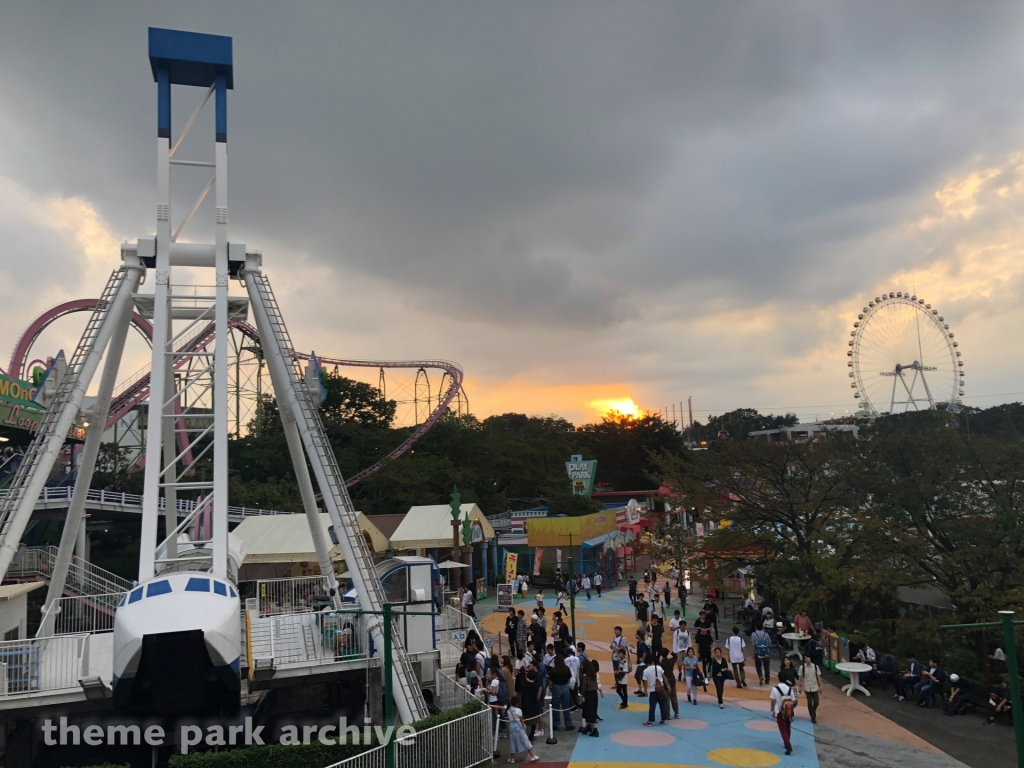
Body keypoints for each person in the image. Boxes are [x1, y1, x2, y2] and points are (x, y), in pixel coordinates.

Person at [505, 696, 540, 764]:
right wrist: (524, 727)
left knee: (513, 742)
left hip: (512, 726)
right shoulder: (519, 710)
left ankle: (512, 758)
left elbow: (500, 707)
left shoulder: (508, 710)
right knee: (525, 740)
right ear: (517, 703)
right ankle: (532, 756)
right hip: (518, 726)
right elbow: (521, 720)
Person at [770, 671, 797, 756]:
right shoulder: (789, 689)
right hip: (788, 710)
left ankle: (788, 745)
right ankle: (787, 740)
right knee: (788, 727)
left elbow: (773, 701)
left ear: (778, 678)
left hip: (779, 711)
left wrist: (772, 709)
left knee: (782, 729)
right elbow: (794, 701)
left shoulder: (775, 689)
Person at [642, 655, 670, 726]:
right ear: (653, 661)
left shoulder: (645, 671)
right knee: (662, 705)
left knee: (652, 706)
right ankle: (663, 720)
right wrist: (667, 685)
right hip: (661, 689)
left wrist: (645, 691)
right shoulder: (659, 667)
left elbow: (645, 683)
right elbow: (664, 677)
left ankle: (650, 721)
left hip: (653, 690)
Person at [548, 655, 573, 730]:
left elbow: (551, 681)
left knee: (556, 706)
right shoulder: (566, 669)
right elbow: (569, 679)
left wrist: (550, 687)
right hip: (565, 687)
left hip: (556, 687)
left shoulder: (554, 670)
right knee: (566, 706)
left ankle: (556, 724)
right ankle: (568, 724)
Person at [797, 651, 822, 724]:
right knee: (810, 702)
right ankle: (813, 716)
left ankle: (813, 711)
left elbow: (818, 677)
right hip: (807, 688)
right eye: (805, 657)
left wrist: (820, 686)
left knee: (816, 702)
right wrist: (800, 687)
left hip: (815, 687)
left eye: (808, 657)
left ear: (810, 658)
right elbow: (800, 678)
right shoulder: (802, 667)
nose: (807, 659)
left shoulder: (815, 667)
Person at [519, 668, 544, 739]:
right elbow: (537, 694)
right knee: (534, 719)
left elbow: (520, 694)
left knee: (524, 719)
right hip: (534, 703)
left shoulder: (523, 684)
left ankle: (524, 734)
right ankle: (532, 734)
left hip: (525, 703)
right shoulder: (536, 686)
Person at [579, 659, 600, 736]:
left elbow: (584, 687)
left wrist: (581, 696)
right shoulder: (593, 674)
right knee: (591, 711)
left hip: (589, 695)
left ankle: (594, 729)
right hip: (594, 694)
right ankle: (589, 727)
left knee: (589, 712)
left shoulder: (585, 676)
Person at [660, 648, 680, 719]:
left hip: (666, 681)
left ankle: (668, 715)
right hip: (672, 680)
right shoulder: (671, 661)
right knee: (674, 697)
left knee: (667, 699)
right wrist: (671, 653)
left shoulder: (661, 664)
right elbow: (676, 656)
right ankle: (677, 713)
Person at [694, 609, 714, 677]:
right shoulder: (697, 621)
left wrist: (707, 629)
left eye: (704, 615)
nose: (703, 616)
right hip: (702, 649)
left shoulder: (707, 622)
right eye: (702, 615)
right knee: (704, 662)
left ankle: (708, 672)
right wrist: (697, 653)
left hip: (707, 648)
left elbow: (712, 642)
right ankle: (705, 675)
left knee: (709, 661)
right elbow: (697, 644)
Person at [634, 631, 650, 696]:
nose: (635, 635)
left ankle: (645, 692)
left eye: (636, 634)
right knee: (637, 676)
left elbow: (644, 652)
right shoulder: (639, 642)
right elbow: (640, 652)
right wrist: (633, 653)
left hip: (642, 664)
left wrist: (642, 659)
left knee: (643, 678)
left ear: (639, 636)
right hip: (641, 663)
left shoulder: (641, 643)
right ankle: (640, 690)